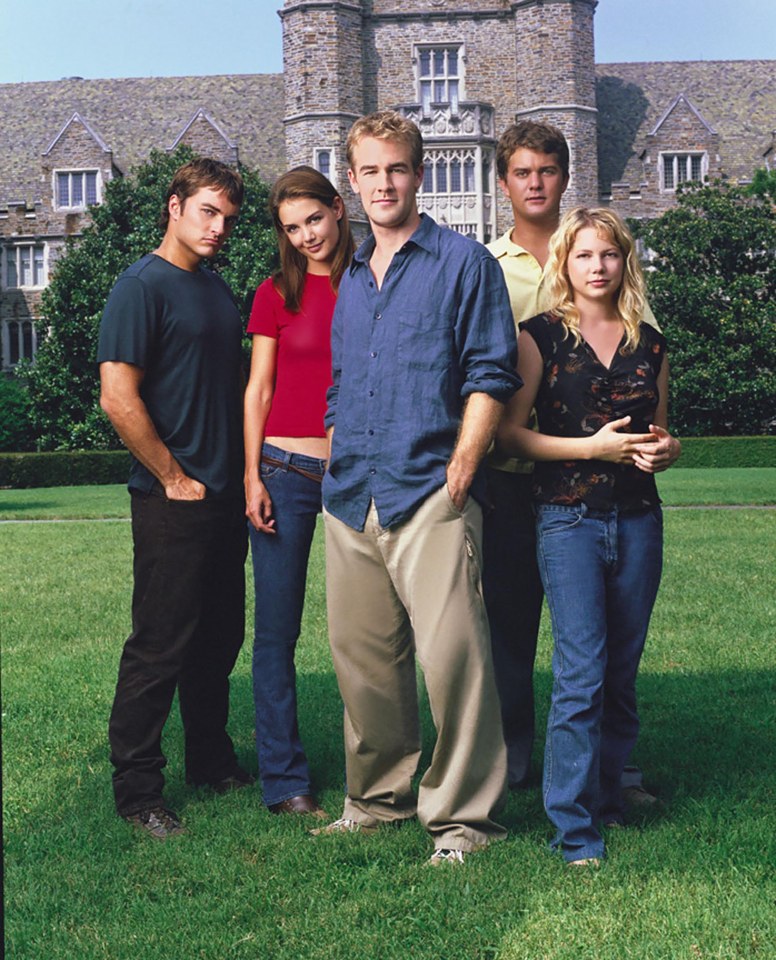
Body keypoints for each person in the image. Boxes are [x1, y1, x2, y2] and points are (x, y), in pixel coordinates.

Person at [313, 111, 521, 865]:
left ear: (419, 173)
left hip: (432, 491)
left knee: (454, 663)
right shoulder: (353, 280)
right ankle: (376, 801)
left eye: (396, 168)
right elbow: (339, 388)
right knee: (362, 663)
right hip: (353, 496)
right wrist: (338, 456)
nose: (384, 183)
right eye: (369, 171)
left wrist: (463, 466)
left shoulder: (465, 264)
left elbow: (492, 371)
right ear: (354, 181)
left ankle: (465, 822)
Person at [484, 120, 670, 803]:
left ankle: (610, 776)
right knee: (516, 636)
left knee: (608, 652)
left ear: (565, 177)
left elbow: (656, 412)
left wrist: (659, 447)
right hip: (518, 482)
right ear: (503, 183)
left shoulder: (639, 327)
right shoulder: (483, 266)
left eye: (548, 171)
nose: (535, 183)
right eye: (522, 172)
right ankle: (516, 769)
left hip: (617, 496)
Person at [98, 158, 252, 839]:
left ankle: (212, 762)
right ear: (174, 206)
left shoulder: (217, 290)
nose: (219, 228)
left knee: (218, 640)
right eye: (207, 212)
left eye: (228, 217)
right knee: (160, 646)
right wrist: (171, 477)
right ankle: (137, 794)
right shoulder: (141, 286)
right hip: (172, 500)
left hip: (223, 497)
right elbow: (117, 397)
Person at [244, 166, 353, 818]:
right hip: (284, 472)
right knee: (276, 633)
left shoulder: (371, 283)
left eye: (314, 218)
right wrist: (252, 474)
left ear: (338, 209)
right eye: (292, 227)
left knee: (368, 631)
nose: (306, 235)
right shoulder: (274, 293)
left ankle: (380, 766)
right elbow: (258, 388)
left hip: (355, 477)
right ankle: (284, 780)